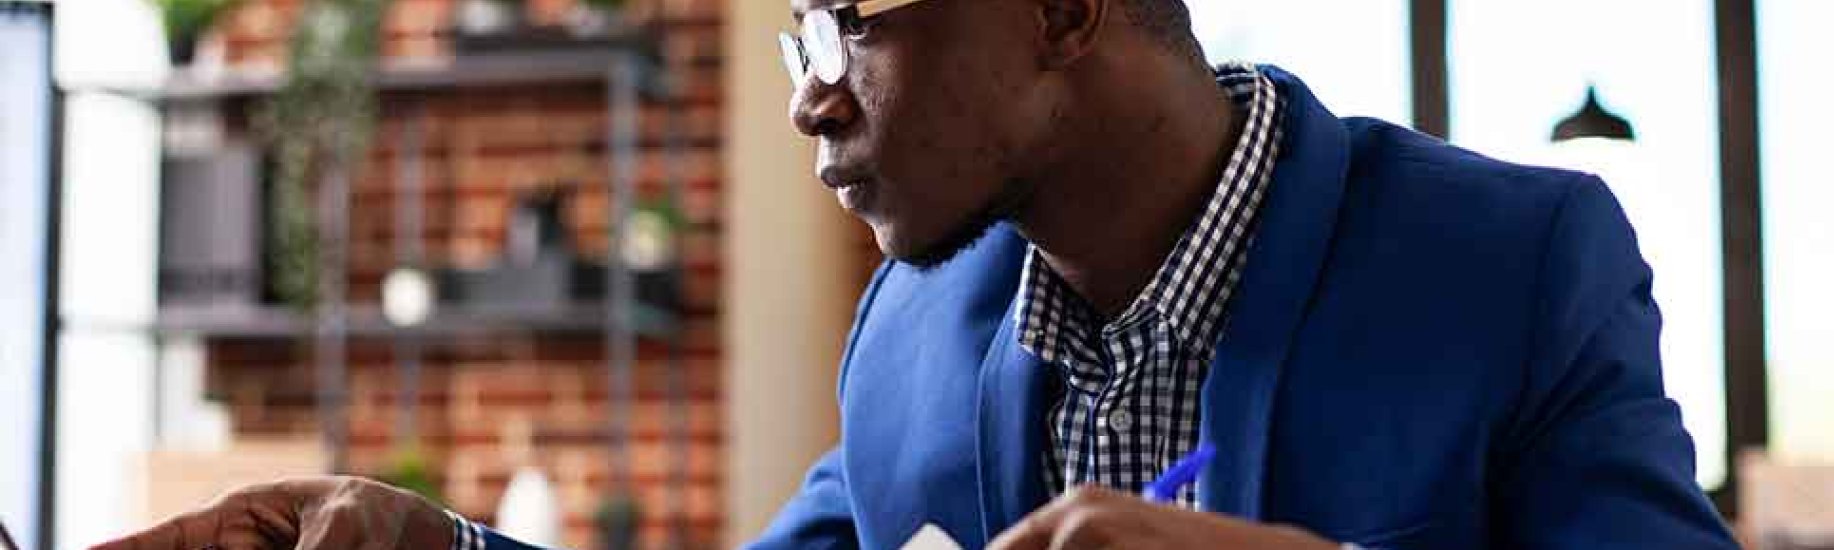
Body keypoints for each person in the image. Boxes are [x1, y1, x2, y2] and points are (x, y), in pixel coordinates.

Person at [99, 0, 1741, 548]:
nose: (809, 90)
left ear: (1063, 14)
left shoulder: (1517, 259)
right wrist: (435, 544)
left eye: (851, 21)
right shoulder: (913, 325)